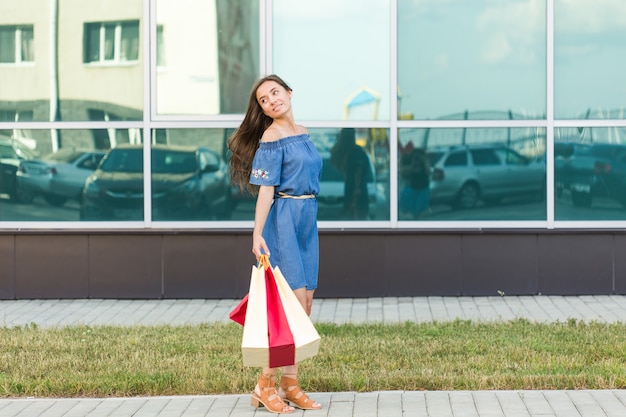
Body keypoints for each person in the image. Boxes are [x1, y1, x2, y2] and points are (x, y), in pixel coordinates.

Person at [227, 74, 323, 414]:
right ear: (263, 110)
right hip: (284, 218)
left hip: (308, 218)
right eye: (264, 100)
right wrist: (258, 233)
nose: (271, 101)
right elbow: (266, 190)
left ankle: (289, 383)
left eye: (275, 93)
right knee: (290, 307)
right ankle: (264, 384)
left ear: (289, 93)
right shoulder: (271, 137)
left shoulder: (304, 132)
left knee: (306, 303)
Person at [330, 128, 372, 219]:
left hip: (352, 187)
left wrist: (356, 189)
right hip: (357, 188)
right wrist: (357, 189)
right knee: (358, 216)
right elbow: (358, 171)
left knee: (352, 214)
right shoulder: (356, 151)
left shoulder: (348, 152)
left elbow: (355, 171)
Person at [399, 148, 431, 219]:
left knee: (419, 211)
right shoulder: (408, 161)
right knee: (413, 211)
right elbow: (403, 172)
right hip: (413, 188)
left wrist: (424, 160)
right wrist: (412, 165)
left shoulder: (424, 161)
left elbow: (428, 172)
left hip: (423, 187)